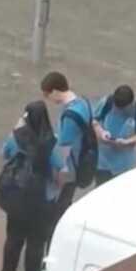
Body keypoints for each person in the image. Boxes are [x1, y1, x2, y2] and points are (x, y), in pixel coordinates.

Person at [0, 101, 63, 271]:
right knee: (36, 242)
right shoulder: (52, 142)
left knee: (13, 238)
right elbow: (60, 171)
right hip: (40, 199)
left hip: (16, 196)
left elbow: (4, 154)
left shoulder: (15, 138)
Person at [40, 71, 93, 229]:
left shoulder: (70, 115)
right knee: (65, 204)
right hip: (79, 163)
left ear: (55, 91)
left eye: (47, 95)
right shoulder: (83, 103)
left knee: (57, 213)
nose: (48, 99)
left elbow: (63, 151)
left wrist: (56, 176)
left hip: (69, 170)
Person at [93, 84, 136, 186]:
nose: (118, 110)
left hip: (125, 165)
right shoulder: (106, 102)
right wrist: (101, 133)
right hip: (102, 162)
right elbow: (94, 121)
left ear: (131, 103)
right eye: (117, 107)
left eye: (123, 108)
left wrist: (127, 142)